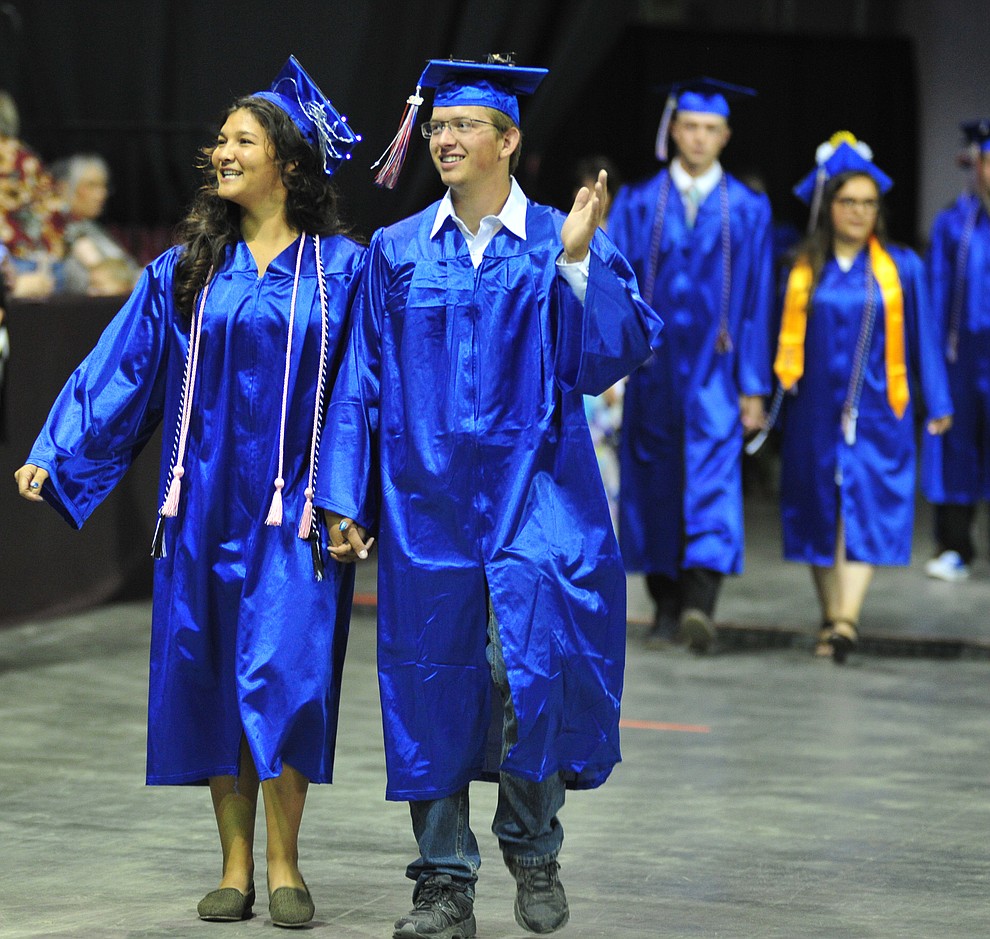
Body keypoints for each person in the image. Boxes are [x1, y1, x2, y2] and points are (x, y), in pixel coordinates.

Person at [316, 56, 662, 939]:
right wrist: (345, 495)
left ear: (509, 140)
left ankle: (533, 839)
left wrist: (580, 264)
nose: (444, 138)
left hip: (537, 494)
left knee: (529, 673)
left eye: (465, 125)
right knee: (428, 686)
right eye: (437, 125)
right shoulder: (394, 252)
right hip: (423, 501)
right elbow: (358, 382)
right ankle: (443, 883)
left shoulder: (556, 237)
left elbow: (613, 352)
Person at [13, 57, 363, 926]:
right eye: (220, 140)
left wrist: (348, 499)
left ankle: (287, 861)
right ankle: (235, 864)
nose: (222, 151)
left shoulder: (344, 270)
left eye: (242, 139)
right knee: (210, 674)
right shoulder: (186, 269)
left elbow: (363, 387)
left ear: (287, 160)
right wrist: (59, 450)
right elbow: (124, 367)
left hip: (295, 510)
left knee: (287, 676)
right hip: (200, 505)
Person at [607, 77, 774, 652]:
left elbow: (756, 304)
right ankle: (665, 603)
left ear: (725, 135)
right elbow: (616, 288)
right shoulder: (637, 202)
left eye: (711, 129)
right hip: (652, 371)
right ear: (674, 130)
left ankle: (701, 603)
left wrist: (754, 387)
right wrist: (613, 367)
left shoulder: (749, 210)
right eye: (691, 127)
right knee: (653, 480)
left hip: (715, 371)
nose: (699, 138)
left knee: (712, 477)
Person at [774, 133, 953, 662]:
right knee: (818, 510)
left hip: (878, 410)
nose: (859, 212)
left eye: (869, 203)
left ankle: (847, 621)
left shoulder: (903, 269)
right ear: (828, 207)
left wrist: (938, 403)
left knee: (866, 509)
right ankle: (832, 617)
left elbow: (923, 336)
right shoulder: (803, 268)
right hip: (813, 412)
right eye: (848, 202)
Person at [920, 119, 990, 582]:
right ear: (975, 165)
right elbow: (935, 298)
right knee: (958, 450)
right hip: (964, 359)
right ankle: (956, 547)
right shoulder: (953, 224)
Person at [0, 90, 66, 298]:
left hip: (14, 266)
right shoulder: (26, 158)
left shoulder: (22, 160)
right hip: (43, 267)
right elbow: (55, 212)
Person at [49, 153, 139, 295]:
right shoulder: (55, 232)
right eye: (91, 185)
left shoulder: (93, 229)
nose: (101, 194)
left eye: (103, 186)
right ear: (63, 187)